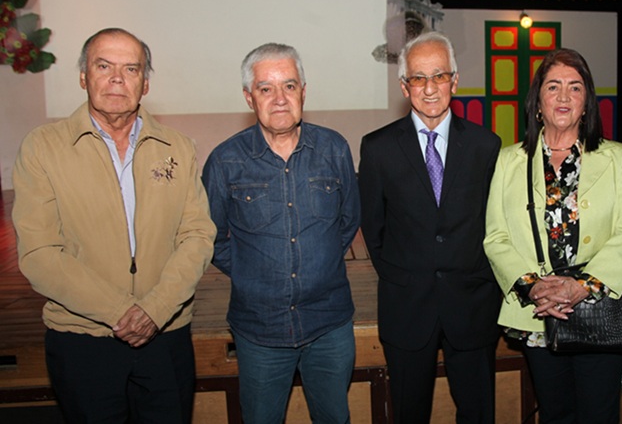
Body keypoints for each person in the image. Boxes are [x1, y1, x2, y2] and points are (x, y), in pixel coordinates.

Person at [11, 28, 216, 423]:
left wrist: (155, 309)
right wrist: (121, 311)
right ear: (84, 76)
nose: (117, 78)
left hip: (165, 335)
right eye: (104, 66)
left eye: (131, 69)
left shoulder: (177, 147)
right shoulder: (44, 147)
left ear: (145, 83)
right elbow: (39, 253)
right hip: (82, 339)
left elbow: (197, 235)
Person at [483, 48, 622, 423]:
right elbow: (496, 237)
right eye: (553, 86)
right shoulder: (509, 160)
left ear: (586, 103)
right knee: (555, 414)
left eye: (575, 87)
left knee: (599, 415)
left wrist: (582, 287)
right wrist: (534, 287)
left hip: (597, 307)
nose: (563, 96)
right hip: (538, 311)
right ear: (538, 102)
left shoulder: (618, 157)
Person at [202, 43, 360, 424]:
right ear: (249, 97)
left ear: (303, 92)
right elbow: (212, 238)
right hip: (259, 331)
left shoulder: (334, 149)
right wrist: (252, 272)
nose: (279, 99)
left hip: (329, 325)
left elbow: (348, 221)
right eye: (265, 88)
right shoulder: (224, 161)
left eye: (289, 86)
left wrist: (318, 264)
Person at [358, 31, 502, 424]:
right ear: (404, 86)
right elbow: (374, 229)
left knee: (478, 415)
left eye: (439, 76)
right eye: (418, 78)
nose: (430, 87)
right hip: (407, 308)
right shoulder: (377, 148)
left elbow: (494, 226)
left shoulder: (486, 146)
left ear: (455, 81)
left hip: (472, 308)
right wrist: (406, 276)